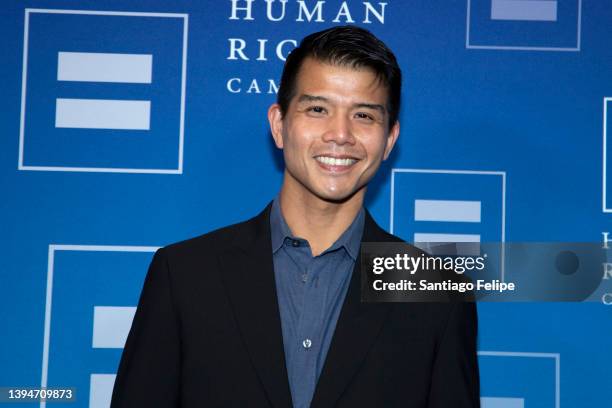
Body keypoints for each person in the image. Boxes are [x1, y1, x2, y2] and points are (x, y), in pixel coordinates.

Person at [111, 26, 480, 408]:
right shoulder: (184, 275)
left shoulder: (436, 292)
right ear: (279, 124)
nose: (340, 134)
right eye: (318, 109)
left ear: (388, 139)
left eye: (364, 115)